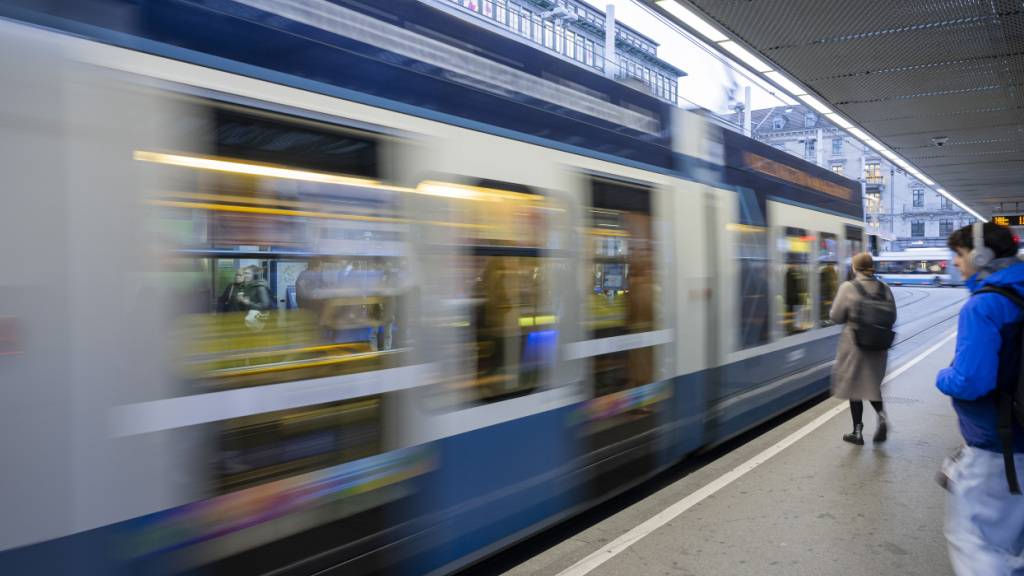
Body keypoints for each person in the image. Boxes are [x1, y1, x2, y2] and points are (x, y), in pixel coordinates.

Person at [936, 222, 1024, 575]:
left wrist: (943, 376)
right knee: (1013, 546)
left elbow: (971, 381)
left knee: (972, 541)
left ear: (980, 255)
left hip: (996, 445)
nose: (955, 263)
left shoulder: (984, 306)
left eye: (958, 254)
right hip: (1018, 442)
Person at [829, 252, 895, 445]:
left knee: (854, 387)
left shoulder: (849, 287)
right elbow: (893, 316)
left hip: (855, 345)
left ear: (854, 268)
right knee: (872, 385)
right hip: (880, 345)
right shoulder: (884, 288)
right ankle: (881, 416)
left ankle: (857, 431)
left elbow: (836, 316)